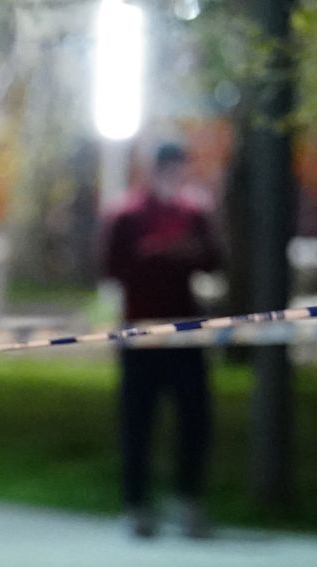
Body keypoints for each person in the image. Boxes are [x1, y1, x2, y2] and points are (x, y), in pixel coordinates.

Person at [100, 141, 224, 538]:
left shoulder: (193, 213)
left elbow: (214, 260)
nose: (174, 174)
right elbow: (110, 267)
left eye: (178, 167)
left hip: (186, 332)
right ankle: (136, 505)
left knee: (195, 419)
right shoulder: (127, 214)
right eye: (167, 166)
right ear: (152, 169)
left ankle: (188, 500)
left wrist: (190, 252)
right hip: (140, 332)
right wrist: (154, 255)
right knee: (137, 422)